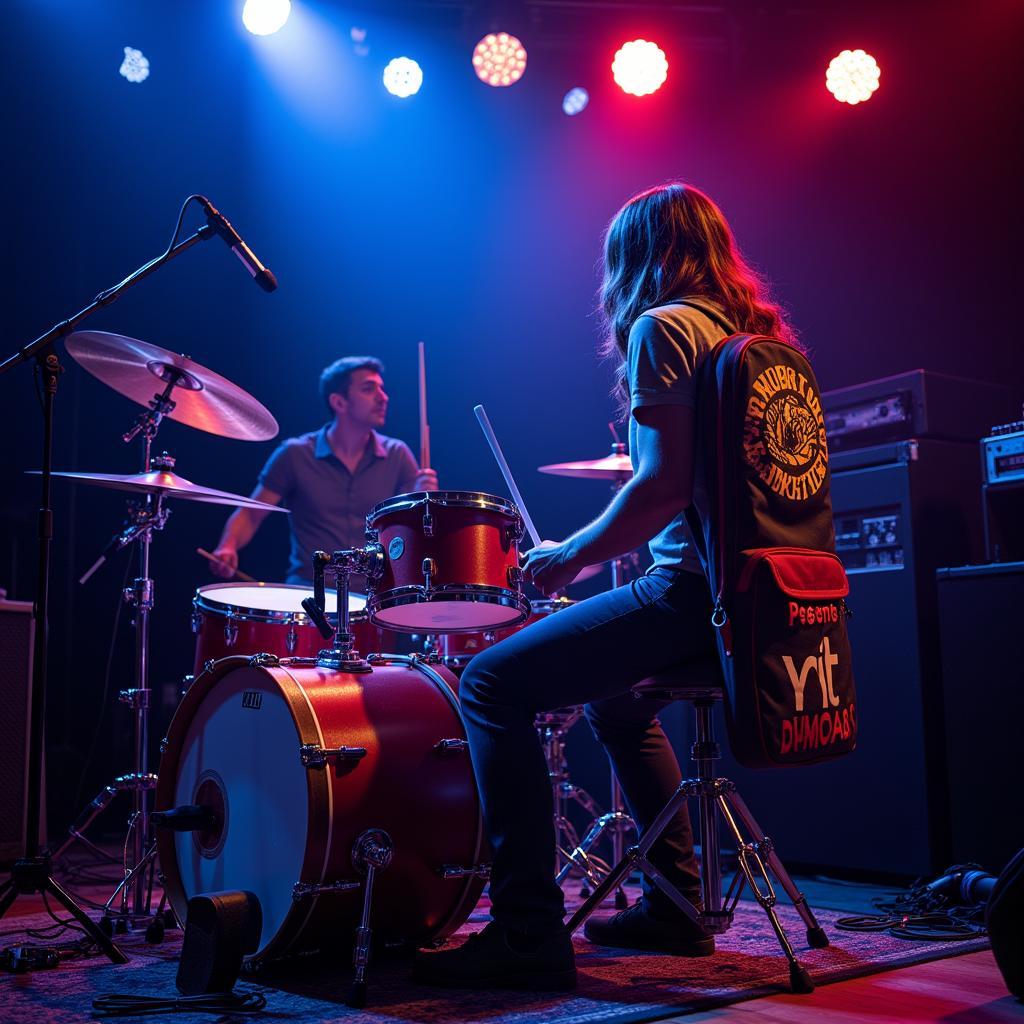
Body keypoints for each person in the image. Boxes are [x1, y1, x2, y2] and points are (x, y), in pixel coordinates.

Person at [413, 183, 798, 990]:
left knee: (488, 683)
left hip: (691, 593)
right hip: (757, 600)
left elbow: (659, 487)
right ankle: (680, 905)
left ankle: (525, 932)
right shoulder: (756, 336)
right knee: (617, 702)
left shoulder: (665, 328)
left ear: (637, 258)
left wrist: (574, 554)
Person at [209, 356, 437, 585]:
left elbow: (415, 533)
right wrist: (227, 545)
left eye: (382, 389)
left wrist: (424, 501)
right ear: (339, 402)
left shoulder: (397, 454)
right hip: (310, 593)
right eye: (369, 389)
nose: (383, 397)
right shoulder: (295, 454)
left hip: (374, 595)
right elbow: (250, 514)